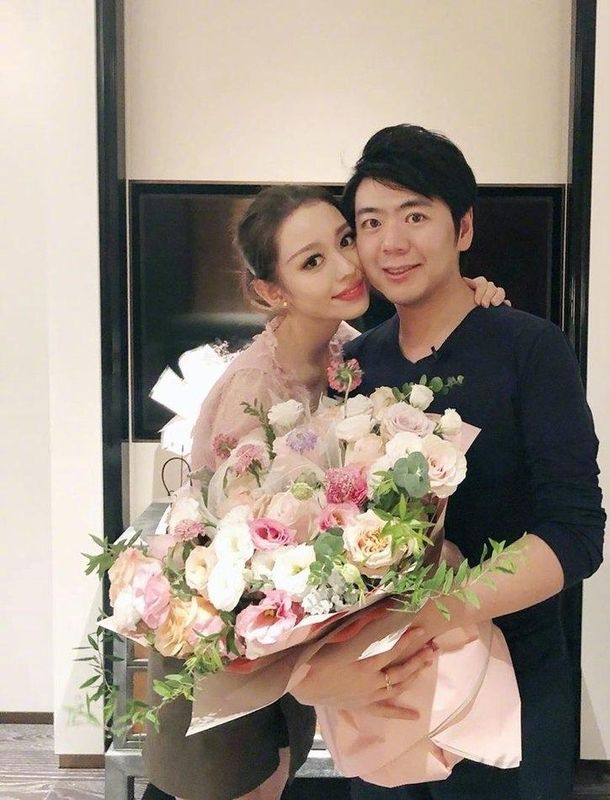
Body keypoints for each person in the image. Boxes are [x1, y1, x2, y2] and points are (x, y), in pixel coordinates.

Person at [141, 184, 508, 800]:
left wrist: (465, 294)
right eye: (313, 261)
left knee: (279, 775)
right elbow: (238, 560)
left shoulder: (349, 352)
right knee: (239, 785)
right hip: (224, 650)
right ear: (271, 291)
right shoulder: (252, 391)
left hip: (293, 638)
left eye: (345, 241)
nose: (345, 266)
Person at [333, 124, 606, 800]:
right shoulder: (353, 366)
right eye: (371, 223)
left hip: (511, 677)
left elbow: (575, 534)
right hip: (386, 689)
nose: (391, 243)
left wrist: (436, 612)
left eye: (415, 216)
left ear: (463, 228)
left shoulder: (530, 349)